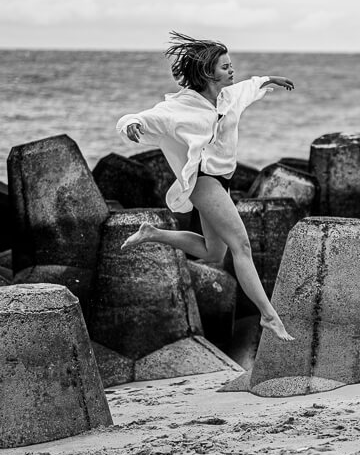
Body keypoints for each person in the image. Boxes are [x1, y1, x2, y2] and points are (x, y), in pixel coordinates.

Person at [115, 31, 295, 341]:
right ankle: (269, 316)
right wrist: (130, 125)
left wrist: (271, 79)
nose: (231, 70)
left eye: (230, 64)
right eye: (225, 67)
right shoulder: (181, 108)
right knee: (242, 246)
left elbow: (251, 86)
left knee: (214, 254)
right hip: (203, 180)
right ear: (207, 73)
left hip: (221, 181)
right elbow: (141, 117)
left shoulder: (229, 96)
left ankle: (153, 234)